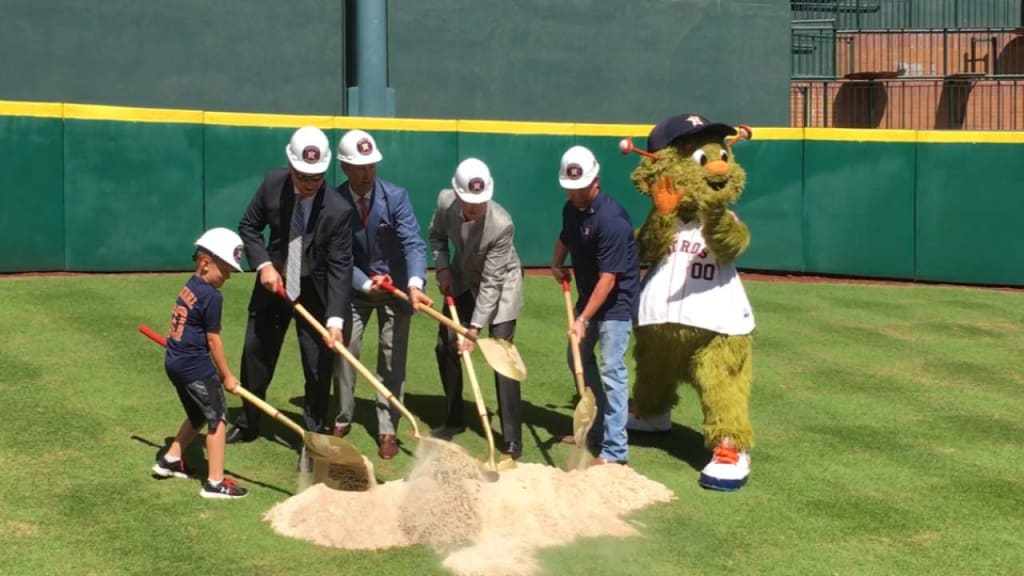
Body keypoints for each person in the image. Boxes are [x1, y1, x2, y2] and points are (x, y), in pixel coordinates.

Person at [227, 126, 354, 445]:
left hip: (315, 291)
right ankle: (249, 421)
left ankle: (313, 434)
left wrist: (335, 320)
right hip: (274, 286)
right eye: (302, 176)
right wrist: (264, 264)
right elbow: (249, 226)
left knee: (317, 365)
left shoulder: (339, 210)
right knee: (256, 352)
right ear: (291, 165)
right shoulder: (272, 184)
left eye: (316, 177)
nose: (309, 183)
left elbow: (341, 267)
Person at [331, 129, 432, 460]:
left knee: (392, 356)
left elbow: (413, 242)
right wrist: (363, 284)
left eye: (372, 166)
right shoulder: (334, 203)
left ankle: (387, 428)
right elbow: (338, 257)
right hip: (356, 288)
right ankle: (342, 417)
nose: (367, 173)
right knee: (347, 350)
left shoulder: (396, 197)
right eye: (359, 167)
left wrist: (415, 283)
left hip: (397, 288)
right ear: (344, 167)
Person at [549, 145, 640, 466]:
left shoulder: (611, 220)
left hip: (615, 301)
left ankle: (615, 450)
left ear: (595, 181)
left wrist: (583, 319)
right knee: (577, 356)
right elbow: (566, 237)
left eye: (579, 188)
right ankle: (595, 428)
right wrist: (556, 263)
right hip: (590, 296)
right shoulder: (570, 208)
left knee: (612, 370)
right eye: (569, 189)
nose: (574, 194)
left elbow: (608, 280)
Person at [428, 158, 524, 460]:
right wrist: (442, 267)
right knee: (446, 346)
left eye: (481, 202)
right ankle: (454, 417)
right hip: (461, 278)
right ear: (457, 195)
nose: (475, 208)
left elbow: (493, 283)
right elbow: (437, 236)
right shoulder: (445, 203)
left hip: (501, 285)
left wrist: (473, 330)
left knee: (500, 353)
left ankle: (511, 440)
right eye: (469, 202)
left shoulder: (501, 224)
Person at [154, 227, 249, 499]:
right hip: (195, 366)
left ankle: (170, 459)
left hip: (174, 362)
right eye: (226, 269)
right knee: (218, 418)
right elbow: (213, 340)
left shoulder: (191, 286)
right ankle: (215, 483)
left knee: (197, 414)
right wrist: (227, 376)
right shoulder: (211, 296)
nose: (229, 275)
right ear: (205, 264)